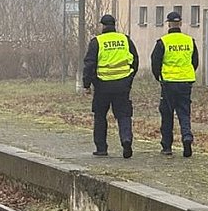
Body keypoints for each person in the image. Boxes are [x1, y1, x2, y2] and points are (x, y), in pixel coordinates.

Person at [83, 14, 139, 158]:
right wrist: (129, 78)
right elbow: (135, 60)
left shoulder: (97, 42)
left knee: (100, 116)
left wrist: (87, 84)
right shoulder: (125, 40)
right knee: (124, 115)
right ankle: (126, 140)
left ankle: (101, 148)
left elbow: (89, 64)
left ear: (102, 26)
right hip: (122, 85)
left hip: (102, 86)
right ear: (114, 25)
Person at [151, 11, 199, 158]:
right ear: (180, 23)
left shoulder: (163, 42)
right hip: (185, 82)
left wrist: (158, 77)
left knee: (167, 114)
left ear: (169, 24)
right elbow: (195, 62)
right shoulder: (189, 41)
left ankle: (167, 146)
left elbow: (155, 62)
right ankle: (187, 136)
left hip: (168, 83)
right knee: (184, 112)